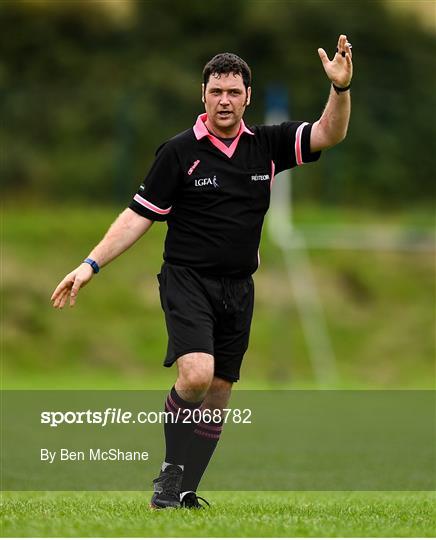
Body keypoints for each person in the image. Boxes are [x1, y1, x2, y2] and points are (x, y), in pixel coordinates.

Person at [51, 34, 352, 509]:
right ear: (203, 95)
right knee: (196, 376)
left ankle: (184, 490)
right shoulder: (178, 152)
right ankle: (169, 474)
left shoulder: (267, 146)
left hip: (239, 287)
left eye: (234, 92)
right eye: (216, 91)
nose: (225, 101)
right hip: (187, 279)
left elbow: (328, 134)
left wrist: (339, 90)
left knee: (219, 391)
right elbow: (138, 215)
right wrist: (91, 265)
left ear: (247, 97)